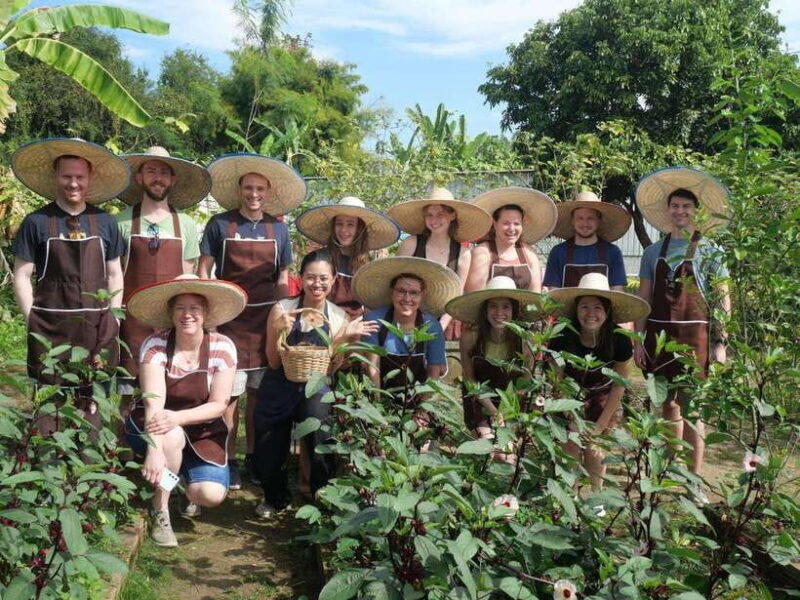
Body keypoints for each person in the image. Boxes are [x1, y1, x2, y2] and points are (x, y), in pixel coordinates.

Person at [199, 153, 305, 489]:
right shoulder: (220, 224)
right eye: (248, 187)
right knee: (227, 399)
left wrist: (281, 316)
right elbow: (204, 271)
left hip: (264, 324)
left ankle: (256, 460)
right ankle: (227, 463)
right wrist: (210, 316)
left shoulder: (279, 228)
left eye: (260, 188)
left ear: (268, 192)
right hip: (228, 322)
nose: (254, 193)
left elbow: (282, 279)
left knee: (259, 400)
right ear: (239, 190)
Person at [253, 250, 378, 516]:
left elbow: (331, 368)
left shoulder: (339, 318)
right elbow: (274, 362)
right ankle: (274, 497)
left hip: (318, 383)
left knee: (321, 430)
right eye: (310, 277)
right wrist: (277, 329)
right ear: (301, 278)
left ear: (333, 280)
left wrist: (343, 339)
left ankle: (322, 498)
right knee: (267, 434)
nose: (317, 284)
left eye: (323, 278)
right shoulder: (282, 309)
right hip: (281, 381)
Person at [124, 275, 246, 546]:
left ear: (205, 313)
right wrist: (153, 450)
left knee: (210, 495)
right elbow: (155, 406)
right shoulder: (155, 346)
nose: (187, 314)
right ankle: (161, 508)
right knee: (172, 437)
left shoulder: (222, 347)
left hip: (202, 426)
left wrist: (178, 417)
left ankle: (178, 481)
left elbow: (219, 404)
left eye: (194, 308)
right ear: (170, 313)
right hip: (153, 424)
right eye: (180, 308)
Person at [11, 138, 129, 408]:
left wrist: (114, 318)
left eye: (79, 176)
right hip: (49, 329)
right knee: (51, 409)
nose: (73, 183)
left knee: (92, 406)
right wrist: (32, 319)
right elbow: (22, 275)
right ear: (56, 177)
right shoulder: (36, 222)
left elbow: (114, 275)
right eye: (66, 176)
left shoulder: (106, 223)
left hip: (97, 329)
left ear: (90, 177)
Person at [633, 167, 731, 488]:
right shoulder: (652, 253)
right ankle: (670, 470)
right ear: (667, 211)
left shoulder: (712, 251)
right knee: (667, 406)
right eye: (675, 206)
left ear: (695, 211)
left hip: (696, 341)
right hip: (658, 339)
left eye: (686, 207)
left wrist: (720, 344)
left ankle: (694, 481)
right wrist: (637, 340)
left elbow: (721, 300)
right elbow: (644, 297)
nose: (680, 211)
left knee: (693, 412)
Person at [115, 146, 209, 396]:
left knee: (170, 397)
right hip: (130, 325)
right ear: (139, 177)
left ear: (173, 179)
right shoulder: (121, 222)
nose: (158, 177)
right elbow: (112, 276)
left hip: (172, 325)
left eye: (164, 172)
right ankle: (123, 437)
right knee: (128, 398)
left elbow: (188, 281)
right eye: (151, 171)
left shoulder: (186, 225)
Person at [547, 273, 650, 491]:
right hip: (568, 396)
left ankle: (596, 496)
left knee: (595, 449)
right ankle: (568, 495)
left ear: (607, 311)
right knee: (571, 444)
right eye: (584, 306)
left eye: (598, 307)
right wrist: (570, 415)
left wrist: (600, 426)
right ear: (576, 310)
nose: (591, 314)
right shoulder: (561, 336)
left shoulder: (620, 339)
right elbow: (557, 378)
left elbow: (619, 384)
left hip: (603, 398)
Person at [445, 276, 541, 439]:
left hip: (515, 402)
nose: (499, 313)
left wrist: (506, 411)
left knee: (509, 452)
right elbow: (470, 379)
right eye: (493, 306)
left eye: (505, 307)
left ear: (514, 310)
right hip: (480, 400)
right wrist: (493, 411)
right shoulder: (471, 337)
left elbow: (526, 381)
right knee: (488, 443)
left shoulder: (525, 340)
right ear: (485, 310)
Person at [390, 186, 492, 338]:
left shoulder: (463, 254)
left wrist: (440, 326)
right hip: (406, 315)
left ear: (452, 216)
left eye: (440, 214)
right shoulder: (411, 244)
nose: (434, 220)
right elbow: (394, 283)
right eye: (429, 215)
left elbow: (456, 294)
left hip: (445, 320)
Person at [352, 256, 461, 398]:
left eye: (414, 293)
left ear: (422, 295)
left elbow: (434, 371)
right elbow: (372, 368)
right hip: (379, 394)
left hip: (417, 397)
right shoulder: (375, 321)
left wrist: (423, 410)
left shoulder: (431, 326)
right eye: (401, 291)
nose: (407, 298)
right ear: (392, 292)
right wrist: (377, 408)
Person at [294, 196, 400, 317]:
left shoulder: (367, 265)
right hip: (322, 323)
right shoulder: (319, 258)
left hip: (356, 327)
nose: (344, 230)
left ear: (360, 229)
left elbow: (370, 305)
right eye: (339, 224)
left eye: (350, 224)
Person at [466, 187, 557, 293]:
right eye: (506, 223)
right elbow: (474, 296)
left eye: (516, 224)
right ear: (495, 224)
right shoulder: (482, 253)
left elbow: (535, 295)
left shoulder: (529, 254)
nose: (512, 229)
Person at [543, 191, 630, 290]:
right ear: (572, 220)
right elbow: (554, 295)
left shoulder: (613, 253)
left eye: (590, 218)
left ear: (599, 220)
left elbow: (617, 294)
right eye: (580, 218)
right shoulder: (558, 253)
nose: (585, 223)